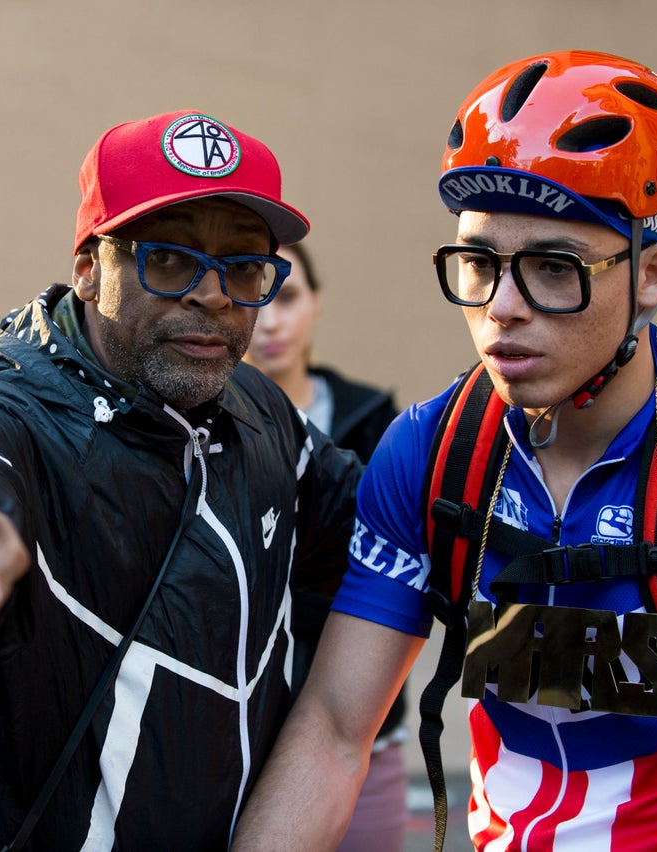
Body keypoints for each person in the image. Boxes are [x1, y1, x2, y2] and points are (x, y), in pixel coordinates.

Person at [233, 50, 657, 850]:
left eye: (554, 268)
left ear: (655, 271)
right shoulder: (431, 451)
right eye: (479, 262)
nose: (502, 309)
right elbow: (335, 728)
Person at [0, 109, 363, 851]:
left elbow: (381, 519)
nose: (214, 294)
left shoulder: (259, 409)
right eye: (170, 260)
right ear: (89, 268)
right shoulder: (10, 405)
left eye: (245, 267)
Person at [243, 242, 408, 852]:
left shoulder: (372, 421)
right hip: (239, 739)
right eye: (255, 299)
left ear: (314, 303)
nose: (271, 322)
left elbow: (387, 575)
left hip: (363, 736)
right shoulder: (200, 434)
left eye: (286, 297)